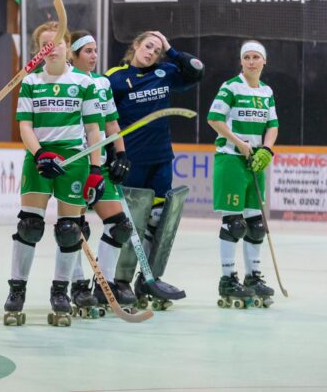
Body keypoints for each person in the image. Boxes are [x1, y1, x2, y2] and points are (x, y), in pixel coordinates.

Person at [3, 22, 105, 327]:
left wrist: (96, 169)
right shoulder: (31, 82)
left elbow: (93, 129)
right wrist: (40, 154)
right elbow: (25, 126)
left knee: (70, 229)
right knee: (29, 226)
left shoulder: (84, 83)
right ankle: (16, 291)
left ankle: (60, 292)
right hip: (39, 157)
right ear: (39, 50)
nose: (52, 48)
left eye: (58, 43)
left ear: (68, 48)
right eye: (45, 44)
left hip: (74, 159)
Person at [106, 30, 203, 301]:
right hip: (131, 160)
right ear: (136, 45)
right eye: (148, 46)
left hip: (160, 158)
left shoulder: (164, 72)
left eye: (157, 51)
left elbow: (196, 70)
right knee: (130, 222)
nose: (152, 53)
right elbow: (104, 119)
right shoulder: (114, 77)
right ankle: (119, 280)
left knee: (158, 219)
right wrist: (112, 155)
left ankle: (149, 278)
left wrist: (171, 50)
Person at [67, 31, 135, 312]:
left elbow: (111, 123)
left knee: (119, 225)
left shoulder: (102, 83)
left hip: (100, 163)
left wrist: (121, 154)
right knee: (73, 228)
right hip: (75, 163)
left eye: (96, 50)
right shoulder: (65, 79)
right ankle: (77, 284)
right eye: (88, 51)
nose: (94, 56)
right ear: (72, 55)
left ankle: (104, 285)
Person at [207, 41, 278, 308]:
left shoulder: (267, 91)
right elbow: (214, 118)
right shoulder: (230, 87)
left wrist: (267, 150)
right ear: (241, 61)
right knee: (234, 223)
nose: (251, 61)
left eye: (256, 57)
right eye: (246, 57)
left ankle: (253, 277)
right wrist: (238, 142)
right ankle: (227, 279)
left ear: (264, 61)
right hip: (231, 159)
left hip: (255, 162)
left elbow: (272, 125)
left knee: (256, 224)